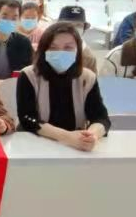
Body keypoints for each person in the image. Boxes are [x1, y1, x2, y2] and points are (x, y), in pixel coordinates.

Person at [16, 22, 111, 152]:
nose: (61, 52)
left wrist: (92, 135)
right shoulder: (28, 75)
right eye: (53, 47)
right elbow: (27, 118)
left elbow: (101, 117)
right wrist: (67, 137)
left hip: (76, 148)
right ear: (43, 50)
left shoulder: (88, 78)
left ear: (78, 51)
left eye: (68, 47)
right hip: (35, 144)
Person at [0, 0, 34, 79]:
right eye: (4, 17)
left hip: (14, 85)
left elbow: (28, 71)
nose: (9, 21)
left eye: (14, 18)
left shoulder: (24, 42)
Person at [57, 6, 98, 72]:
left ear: (84, 29)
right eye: (68, 24)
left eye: (78, 25)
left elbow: (92, 78)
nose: (74, 28)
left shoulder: (88, 57)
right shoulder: (47, 46)